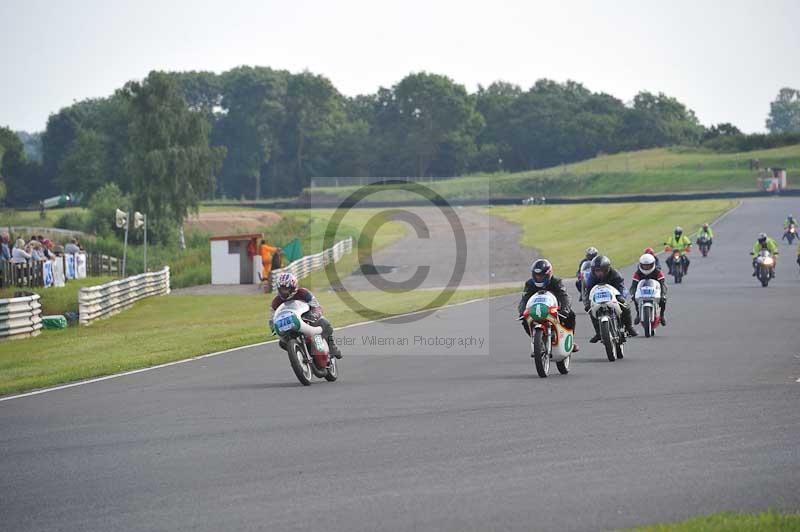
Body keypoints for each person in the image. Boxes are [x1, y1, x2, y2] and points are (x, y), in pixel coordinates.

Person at [270, 272, 342, 359]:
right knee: (282, 343)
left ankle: (332, 347)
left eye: (286, 289)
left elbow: (317, 307)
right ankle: (297, 353)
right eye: (281, 289)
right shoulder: (276, 301)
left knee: (324, 322)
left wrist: (313, 315)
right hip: (289, 325)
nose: (284, 292)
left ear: (293, 287)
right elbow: (273, 318)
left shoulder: (303, 293)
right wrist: (273, 328)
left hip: (307, 319)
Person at [518, 258, 580, 353]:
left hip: (554, 309)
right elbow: (524, 299)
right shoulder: (529, 284)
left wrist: (565, 309)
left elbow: (564, 296)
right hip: (537, 309)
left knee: (571, 315)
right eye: (537, 276)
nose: (539, 278)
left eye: (541, 276)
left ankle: (570, 341)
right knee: (524, 320)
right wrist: (522, 312)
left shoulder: (556, 282)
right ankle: (536, 341)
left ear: (548, 274)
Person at [584, 255, 638, 341]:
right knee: (591, 310)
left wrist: (621, 297)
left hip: (614, 294)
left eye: (600, 270)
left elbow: (622, 287)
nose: (598, 273)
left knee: (625, 306)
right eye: (596, 271)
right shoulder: (591, 277)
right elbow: (588, 290)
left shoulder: (615, 274)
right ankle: (598, 333)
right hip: (598, 296)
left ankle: (629, 327)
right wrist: (587, 303)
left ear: (606, 269)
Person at [630, 253, 668, 327]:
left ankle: (662, 316)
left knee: (663, 299)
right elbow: (633, 285)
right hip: (642, 291)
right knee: (634, 298)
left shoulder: (658, 272)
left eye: (648, 265)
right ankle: (638, 314)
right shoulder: (637, 273)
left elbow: (662, 284)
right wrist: (633, 293)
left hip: (655, 290)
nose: (646, 267)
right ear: (641, 265)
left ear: (653, 264)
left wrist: (662, 293)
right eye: (644, 265)